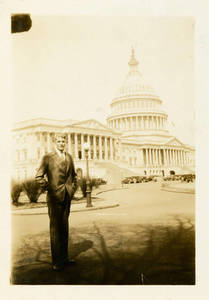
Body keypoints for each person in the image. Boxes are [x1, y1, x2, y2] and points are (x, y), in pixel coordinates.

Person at [35, 133, 77, 271]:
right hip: (54, 198)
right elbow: (39, 177)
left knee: (64, 228)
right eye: (58, 141)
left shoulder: (69, 157)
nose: (61, 143)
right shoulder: (48, 157)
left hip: (66, 196)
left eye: (63, 141)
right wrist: (49, 189)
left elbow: (74, 176)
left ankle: (65, 258)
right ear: (54, 143)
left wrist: (72, 188)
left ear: (65, 142)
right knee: (55, 230)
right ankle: (56, 261)